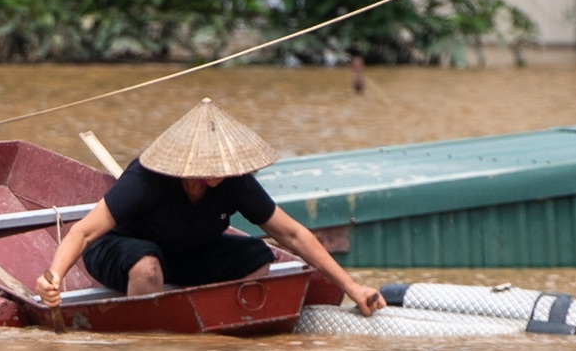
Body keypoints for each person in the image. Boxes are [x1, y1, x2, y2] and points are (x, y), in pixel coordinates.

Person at [36, 98, 385, 315]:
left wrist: (353, 288)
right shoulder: (147, 178)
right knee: (147, 266)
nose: (219, 174)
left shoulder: (234, 182)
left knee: (258, 256)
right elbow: (83, 232)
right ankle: (147, 336)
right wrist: (53, 279)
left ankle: (226, 319)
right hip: (122, 253)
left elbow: (292, 234)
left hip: (187, 253)